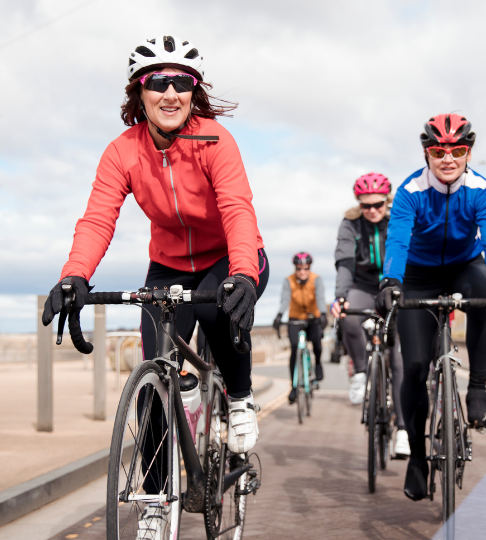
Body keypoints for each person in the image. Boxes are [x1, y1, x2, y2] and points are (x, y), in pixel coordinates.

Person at [41, 35, 268, 459]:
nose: (170, 93)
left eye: (182, 83)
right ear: (139, 90)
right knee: (152, 383)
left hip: (229, 257)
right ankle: (152, 501)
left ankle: (239, 397)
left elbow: (237, 209)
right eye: (158, 81)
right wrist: (74, 275)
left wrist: (243, 274)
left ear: (193, 92)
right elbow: (97, 218)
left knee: (215, 307)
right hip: (169, 265)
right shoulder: (122, 151)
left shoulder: (216, 141)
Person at [376, 113, 486, 501]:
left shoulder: (483, 190)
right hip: (418, 274)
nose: (448, 158)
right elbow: (398, 240)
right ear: (427, 153)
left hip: (463, 266)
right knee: (416, 366)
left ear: (468, 151)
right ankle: (418, 459)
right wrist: (391, 281)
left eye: (458, 150)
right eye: (438, 150)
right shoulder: (409, 191)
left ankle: (477, 389)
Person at [330, 172, 410, 459]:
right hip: (363, 285)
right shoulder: (350, 224)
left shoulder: (398, 218)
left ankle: (403, 429)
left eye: (378, 204)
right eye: (366, 206)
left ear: (387, 201)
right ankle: (361, 373)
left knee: (399, 358)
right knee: (349, 316)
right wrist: (340, 296)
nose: (372, 210)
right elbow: (345, 263)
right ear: (359, 204)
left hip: (398, 284)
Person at [273, 252, 327, 403]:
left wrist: (323, 314)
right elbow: (285, 299)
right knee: (295, 347)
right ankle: (294, 387)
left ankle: (318, 363)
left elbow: (320, 297)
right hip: (295, 318)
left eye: (305, 268)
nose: (302, 272)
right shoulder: (288, 281)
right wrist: (279, 315)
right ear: (295, 268)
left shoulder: (316, 279)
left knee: (317, 343)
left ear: (309, 268)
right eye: (299, 269)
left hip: (313, 318)